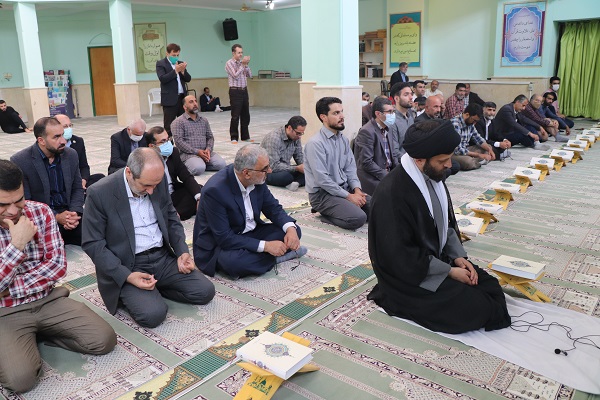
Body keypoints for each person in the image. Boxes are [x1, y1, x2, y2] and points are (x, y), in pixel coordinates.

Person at [367, 119, 511, 334]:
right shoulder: (392, 194)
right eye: (443, 160)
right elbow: (398, 256)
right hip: (408, 275)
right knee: (476, 308)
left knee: (489, 286)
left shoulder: (432, 175)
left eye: (449, 157)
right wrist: (449, 272)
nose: (449, 165)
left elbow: (445, 222)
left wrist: (457, 257)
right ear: (419, 160)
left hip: (435, 259)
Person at [0, 159, 116, 393]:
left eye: (18, 200)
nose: (13, 211)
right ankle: (25, 340)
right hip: (5, 312)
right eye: (3, 204)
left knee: (104, 340)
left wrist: (7, 287)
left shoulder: (41, 212)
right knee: (21, 381)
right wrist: (17, 245)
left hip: (48, 299)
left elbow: (57, 267)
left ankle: (39, 335)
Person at [82, 148, 215, 328]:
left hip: (162, 257)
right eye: (146, 186)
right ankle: (140, 293)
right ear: (129, 172)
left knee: (205, 291)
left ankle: (156, 289)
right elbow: (93, 244)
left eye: (155, 185)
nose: (152, 191)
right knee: (153, 315)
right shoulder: (100, 192)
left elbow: (171, 218)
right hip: (128, 264)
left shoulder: (156, 180)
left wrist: (182, 252)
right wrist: (126, 276)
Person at [193, 145, 306, 278]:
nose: (270, 171)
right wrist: (266, 246)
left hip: (250, 232)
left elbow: (273, 208)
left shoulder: (257, 178)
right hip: (222, 244)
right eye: (265, 169)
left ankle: (264, 258)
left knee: (293, 230)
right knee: (234, 263)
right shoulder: (215, 191)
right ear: (246, 173)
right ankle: (276, 258)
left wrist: (290, 229)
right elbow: (224, 238)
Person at [10, 117, 84, 246]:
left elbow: (77, 188)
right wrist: (56, 217)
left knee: (101, 234)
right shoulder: (21, 161)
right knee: (43, 249)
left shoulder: (71, 155)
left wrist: (74, 213)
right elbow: (26, 201)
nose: (63, 141)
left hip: (69, 214)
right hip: (42, 219)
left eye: (62, 135)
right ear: (41, 140)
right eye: (56, 137)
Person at [304, 97, 370, 230]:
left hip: (344, 189)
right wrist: (349, 197)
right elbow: (322, 180)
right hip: (323, 195)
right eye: (336, 113)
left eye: (342, 111)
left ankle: (341, 208)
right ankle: (324, 214)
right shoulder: (315, 144)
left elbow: (350, 169)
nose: (342, 116)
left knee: (379, 207)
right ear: (323, 117)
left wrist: (357, 190)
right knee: (359, 218)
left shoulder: (343, 140)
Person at [147, 126, 202, 221]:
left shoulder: (173, 152)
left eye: (168, 139)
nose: (168, 143)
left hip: (172, 193)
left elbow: (186, 176)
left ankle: (174, 214)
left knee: (199, 190)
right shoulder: (145, 159)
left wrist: (199, 198)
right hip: (157, 197)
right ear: (152, 146)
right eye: (163, 141)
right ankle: (172, 215)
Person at [354, 96, 400, 195]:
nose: (393, 115)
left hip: (388, 174)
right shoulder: (367, 131)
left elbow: (393, 156)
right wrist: (387, 176)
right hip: (373, 178)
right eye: (389, 112)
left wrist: (399, 172)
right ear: (378, 114)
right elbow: (367, 162)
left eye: (393, 111)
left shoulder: (389, 128)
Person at [171, 95, 227, 176]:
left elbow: (210, 137)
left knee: (221, 164)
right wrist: (197, 152)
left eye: (195, 101)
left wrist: (208, 149)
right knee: (198, 169)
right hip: (188, 155)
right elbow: (179, 142)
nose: (195, 104)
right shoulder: (178, 122)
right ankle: (190, 165)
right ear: (185, 107)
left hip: (205, 152)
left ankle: (201, 163)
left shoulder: (203, 120)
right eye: (191, 102)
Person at [55, 114, 105, 189]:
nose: (69, 129)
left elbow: (84, 166)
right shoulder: (53, 143)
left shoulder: (78, 141)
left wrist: (83, 180)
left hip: (78, 180)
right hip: (61, 182)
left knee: (100, 178)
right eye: (65, 126)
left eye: (70, 125)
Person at [260, 115, 306, 191]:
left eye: (301, 133)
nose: (299, 136)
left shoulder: (296, 137)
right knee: (286, 177)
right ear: (289, 128)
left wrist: (305, 167)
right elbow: (274, 166)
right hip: (269, 171)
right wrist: (296, 168)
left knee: (309, 173)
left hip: (285, 168)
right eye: (298, 133)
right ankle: (293, 182)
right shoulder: (274, 138)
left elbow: (299, 156)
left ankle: (295, 183)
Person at [156, 43, 191, 135]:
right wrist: (175, 71)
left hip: (182, 98)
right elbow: (163, 79)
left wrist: (182, 71)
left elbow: (188, 79)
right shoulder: (161, 64)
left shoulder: (180, 63)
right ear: (167, 53)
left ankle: (183, 142)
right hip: (170, 99)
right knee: (169, 125)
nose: (176, 57)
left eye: (177, 55)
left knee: (184, 123)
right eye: (173, 55)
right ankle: (169, 143)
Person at [451, 103, 496, 170]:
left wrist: (490, 150)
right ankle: (476, 161)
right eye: (474, 120)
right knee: (468, 162)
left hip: (466, 149)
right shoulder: (455, 123)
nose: (475, 123)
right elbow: (457, 149)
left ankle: (476, 160)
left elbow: (479, 139)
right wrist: (478, 155)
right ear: (467, 115)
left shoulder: (471, 123)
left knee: (488, 147)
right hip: (453, 153)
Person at [226, 44, 253, 143]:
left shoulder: (243, 64)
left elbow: (250, 75)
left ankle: (245, 136)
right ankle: (234, 137)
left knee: (246, 115)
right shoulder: (229, 63)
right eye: (239, 53)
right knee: (235, 115)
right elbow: (235, 75)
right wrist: (242, 65)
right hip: (235, 91)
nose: (241, 54)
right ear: (233, 53)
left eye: (242, 52)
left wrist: (246, 65)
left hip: (244, 90)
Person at [389, 82, 415, 158]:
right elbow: (394, 151)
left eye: (411, 94)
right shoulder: (392, 120)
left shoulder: (410, 117)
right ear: (396, 98)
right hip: (401, 161)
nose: (411, 97)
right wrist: (411, 161)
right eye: (406, 95)